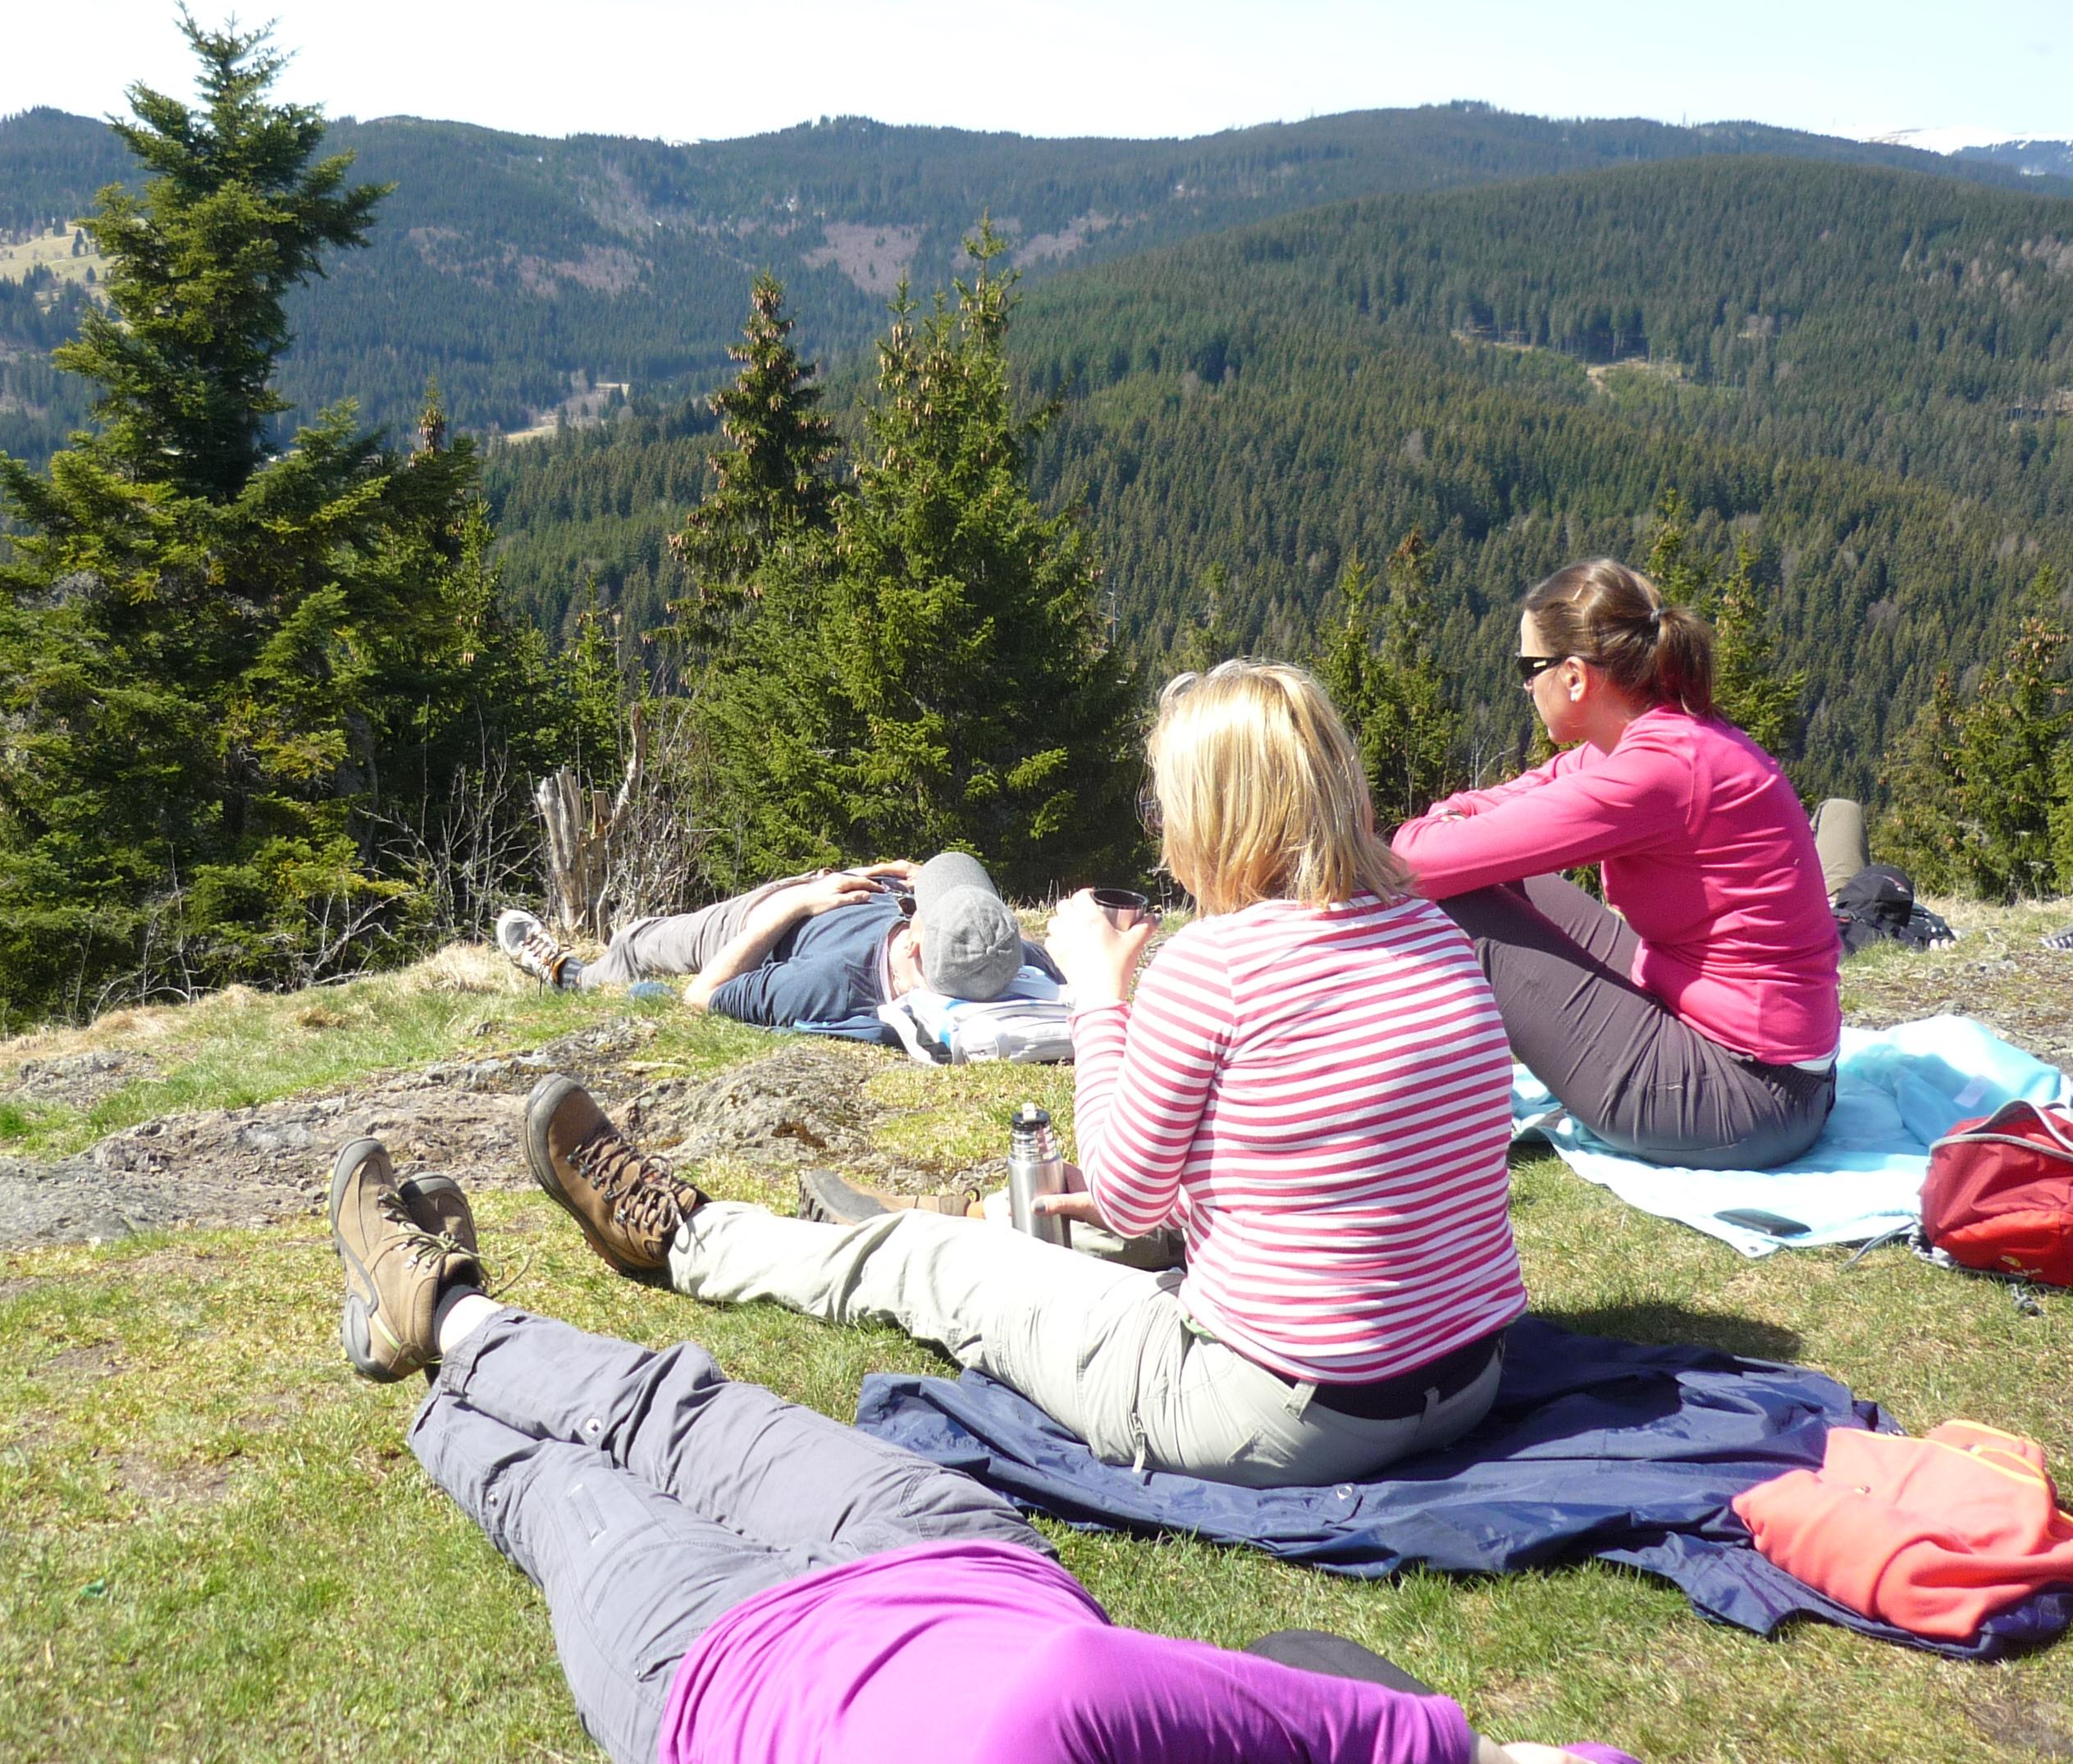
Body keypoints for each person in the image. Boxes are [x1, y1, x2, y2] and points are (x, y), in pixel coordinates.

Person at [518, 663, 1527, 1491]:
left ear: (1222, 817)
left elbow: (1130, 1193)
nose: (1159, 828)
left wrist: (1100, 991)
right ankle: (932, 1217)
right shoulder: (1429, 933)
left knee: (933, 1273)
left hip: (1285, 1413)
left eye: (1162, 802)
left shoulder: (1216, 966)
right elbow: (1309, 1159)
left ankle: (684, 1235)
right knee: (1065, 1219)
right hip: (1463, 1373)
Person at [329, 1132, 1637, 1764]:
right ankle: (452, 1317)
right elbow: (1431, 1750)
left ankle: (439, 1324)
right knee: (673, 1412)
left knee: (568, 1489)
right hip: (949, 1560)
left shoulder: (1063, 1712)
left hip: (717, 1678)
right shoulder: (1091, 1703)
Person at [1391, 559, 1842, 1171]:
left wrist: (1436, 829)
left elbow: (1416, 863)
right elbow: (1492, 808)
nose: (1526, 686)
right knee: (1493, 875)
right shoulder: (1648, 742)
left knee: (1456, 900)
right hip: (1762, 1063)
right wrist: (1452, 816)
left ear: (1575, 677)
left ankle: (1383, 1106)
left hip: (1751, 1095)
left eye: (1530, 669)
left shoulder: (1656, 769)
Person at [495, 850, 1058, 1033]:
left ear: (915, 943)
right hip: (845, 892)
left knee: (636, 946)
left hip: (759, 924)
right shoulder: (1001, 958)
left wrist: (792, 906)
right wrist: (897, 876)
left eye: (920, 909)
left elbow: (704, 995)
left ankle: (568, 974)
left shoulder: (826, 985)